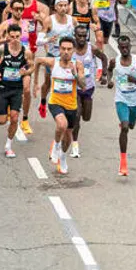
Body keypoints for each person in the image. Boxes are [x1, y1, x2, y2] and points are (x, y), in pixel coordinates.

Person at [106, 34, 136, 177]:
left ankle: (125, 122)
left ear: (130, 47)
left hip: (135, 100)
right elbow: (109, 70)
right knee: (125, 127)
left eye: (127, 47)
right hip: (121, 99)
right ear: (119, 48)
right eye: (122, 47)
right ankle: (123, 162)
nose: (125, 49)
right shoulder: (115, 62)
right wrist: (109, 81)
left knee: (131, 126)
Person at [40, 35, 85, 176]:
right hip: (55, 102)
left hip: (71, 105)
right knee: (61, 125)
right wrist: (35, 81)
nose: (66, 51)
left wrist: (75, 75)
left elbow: (83, 86)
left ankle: (63, 158)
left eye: (69, 49)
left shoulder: (77, 65)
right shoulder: (53, 62)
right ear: (59, 49)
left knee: (68, 135)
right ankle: (56, 145)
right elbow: (37, 61)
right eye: (63, 48)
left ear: (74, 50)